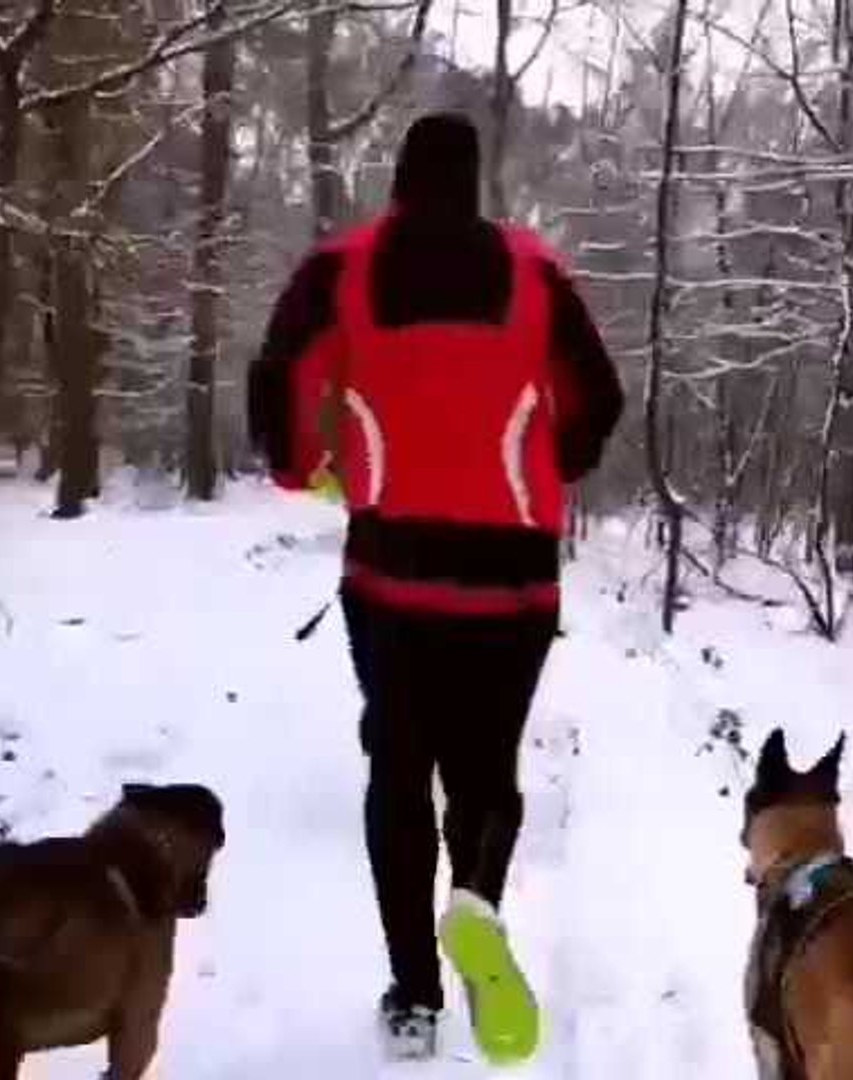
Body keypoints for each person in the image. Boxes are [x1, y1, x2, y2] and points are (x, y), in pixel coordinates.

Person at [246, 112, 622, 1064]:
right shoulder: (534, 272)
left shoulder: (343, 269)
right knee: (486, 773)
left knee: (398, 773)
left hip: (393, 576)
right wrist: (554, 460)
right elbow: (599, 398)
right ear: (476, 182)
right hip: (514, 583)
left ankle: (414, 995)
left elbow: (278, 372)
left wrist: (300, 466)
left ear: (399, 182)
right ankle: (477, 904)